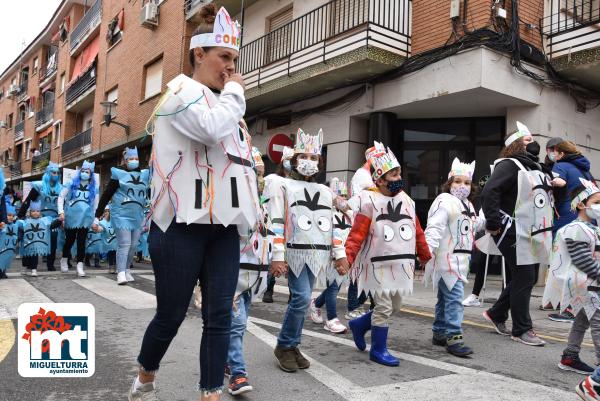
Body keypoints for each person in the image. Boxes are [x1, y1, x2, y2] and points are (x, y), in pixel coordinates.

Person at [129, 5, 260, 400]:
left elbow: (243, 170)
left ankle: (211, 393)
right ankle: (146, 377)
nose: (231, 67)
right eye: (225, 57)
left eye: (235, 60)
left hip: (222, 231)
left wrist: (253, 225)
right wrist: (236, 92)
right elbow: (208, 129)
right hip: (179, 229)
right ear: (199, 54)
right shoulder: (179, 93)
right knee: (170, 315)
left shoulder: (228, 109)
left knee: (220, 316)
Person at [269, 128, 348, 372]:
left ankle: (291, 345)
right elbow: (276, 220)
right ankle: (284, 345)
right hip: (293, 252)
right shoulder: (281, 184)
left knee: (301, 300)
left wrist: (339, 254)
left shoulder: (325, 191)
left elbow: (333, 224)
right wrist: (277, 256)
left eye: (314, 158)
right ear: (294, 160)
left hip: (316, 254)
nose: (309, 162)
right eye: (304, 156)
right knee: (302, 298)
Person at [345, 142, 431, 366]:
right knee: (382, 307)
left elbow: (417, 230)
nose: (398, 177)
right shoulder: (368, 201)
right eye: (393, 174)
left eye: (399, 172)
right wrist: (347, 258)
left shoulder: (407, 201)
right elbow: (357, 234)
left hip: (401, 265)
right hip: (377, 265)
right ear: (380, 179)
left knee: (395, 306)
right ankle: (379, 350)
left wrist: (424, 254)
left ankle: (360, 325)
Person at [480, 122, 554, 346]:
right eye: (528, 140)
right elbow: (490, 191)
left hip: (528, 231)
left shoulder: (533, 167)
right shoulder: (509, 165)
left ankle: (496, 313)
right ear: (515, 145)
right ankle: (522, 329)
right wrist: (493, 222)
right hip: (510, 230)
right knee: (525, 276)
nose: (533, 143)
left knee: (526, 274)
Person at [424, 158, 485, 357]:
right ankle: (454, 337)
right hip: (447, 259)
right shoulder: (444, 201)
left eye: (466, 183)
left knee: (445, 297)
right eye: (457, 181)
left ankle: (439, 332)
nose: (462, 186)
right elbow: (434, 228)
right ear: (449, 183)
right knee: (455, 298)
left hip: (460, 260)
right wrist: (426, 252)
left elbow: (472, 227)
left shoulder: (468, 205)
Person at [543, 179, 600, 375]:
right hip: (586, 284)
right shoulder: (576, 229)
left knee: (582, 321)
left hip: (590, 283)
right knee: (598, 323)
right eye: (597, 202)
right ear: (581, 204)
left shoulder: (592, 228)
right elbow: (583, 260)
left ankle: (570, 356)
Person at [226, 147, 271, 396]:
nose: (260, 180)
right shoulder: (234, 200)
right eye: (256, 174)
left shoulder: (262, 204)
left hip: (254, 275)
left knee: (239, 325)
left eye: (261, 175)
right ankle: (238, 373)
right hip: (233, 271)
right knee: (237, 323)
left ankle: (227, 360)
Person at [94, 147, 149, 285]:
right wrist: (97, 215)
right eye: (131, 159)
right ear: (125, 160)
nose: (134, 161)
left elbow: (147, 194)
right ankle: (120, 272)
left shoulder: (144, 174)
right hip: (121, 215)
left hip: (137, 215)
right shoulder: (118, 174)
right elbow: (106, 195)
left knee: (134, 245)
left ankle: (127, 269)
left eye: (136, 158)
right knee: (124, 243)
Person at [310, 178, 353, 334]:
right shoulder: (325, 212)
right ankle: (332, 319)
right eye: (338, 196)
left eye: (344, 196)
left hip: (345, 255)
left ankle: (316, 303)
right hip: (330, 256)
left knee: (335, 286)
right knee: (333, 286)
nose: (342, 200)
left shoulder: (350, 214)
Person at [262, 145, 294, 304]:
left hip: (292, 228)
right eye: (288, 160)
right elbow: (261, 196)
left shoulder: (297, 184)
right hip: (274, 225)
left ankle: (292, 293)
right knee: (274, 257)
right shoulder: (271, 179)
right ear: (282, 162)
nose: (291, 164)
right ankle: (269, 290)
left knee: (291, 261)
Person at [18, 162, 62, 271]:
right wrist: (20, 215)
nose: (55, 174)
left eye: (57, 172)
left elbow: (64, 204)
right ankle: (30, 263)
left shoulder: (61, 188)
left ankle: (50, 264)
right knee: (35, 240)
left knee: (53, 240)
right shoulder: (39, 186)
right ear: (48, 173)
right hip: (39, 218)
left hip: (54, 219)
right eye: (53, 172)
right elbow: (28, 200)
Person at [58, 160, 98, 277]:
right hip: (71, 216)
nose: (85, 173)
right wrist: (61, 212)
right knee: (69, 240)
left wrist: (95, 220)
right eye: (83, 171)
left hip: (85, 218)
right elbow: (61, 197)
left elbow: (96, 206)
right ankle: (64, 259)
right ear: (80, 171)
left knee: (82, 241)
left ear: (91, 174)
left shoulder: (94, 188)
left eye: (88, 172)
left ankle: (80, 265)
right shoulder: (71, 183)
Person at [18, 200, 63, 277]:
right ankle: (24, 267)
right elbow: (20, 228)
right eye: (33, 211)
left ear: (40, 212)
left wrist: (59, 220)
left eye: (38, 211)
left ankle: (34, 269)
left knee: (35, 256)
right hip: (27, 243)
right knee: (26, 256)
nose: (36, 213)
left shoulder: (44, 221)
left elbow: (51, 225)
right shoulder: (26, 221)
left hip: (37, 243)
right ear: (30, 212)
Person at [95, 206, 117, 274]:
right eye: (106, 211)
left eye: (109, 211)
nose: (108, 212)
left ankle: (117, 266)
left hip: (117, 240)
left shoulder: (117, 220)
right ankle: (111, 266)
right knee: (111, 251)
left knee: (117, 252)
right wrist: (96, 228)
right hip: (109, 241)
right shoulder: (103, 222)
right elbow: (101, 228)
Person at [0, 205, 18, 279]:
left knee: (7, 257)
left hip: (9, 246)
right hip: (1, 246)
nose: (11, 217)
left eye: (12, 216)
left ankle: (3, 271)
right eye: (9, 215)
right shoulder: (2, 225)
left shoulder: (14, 226)